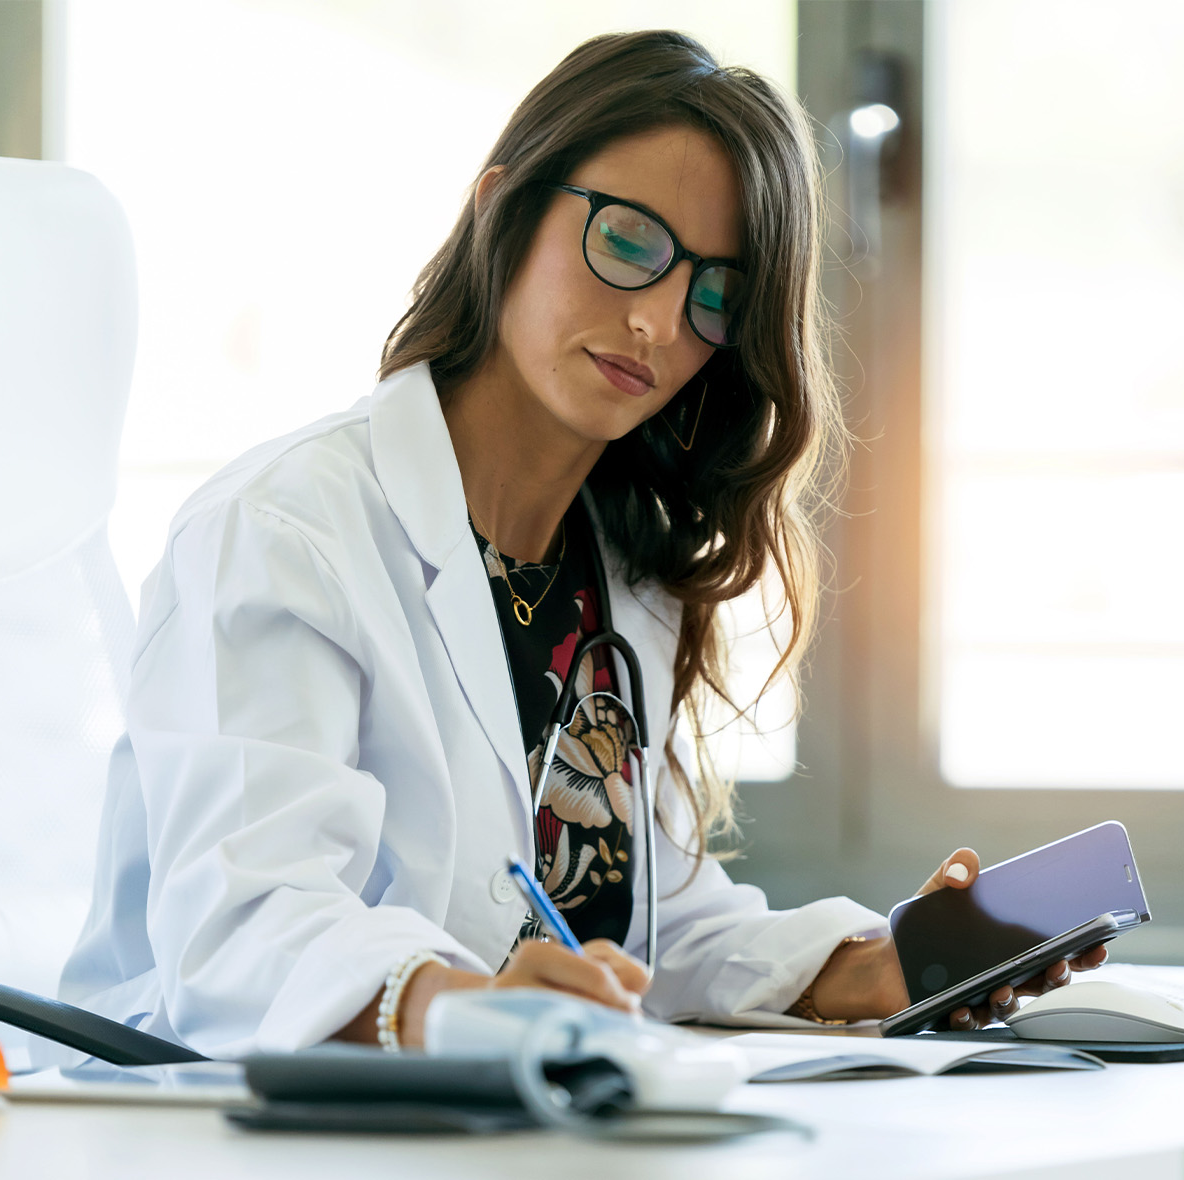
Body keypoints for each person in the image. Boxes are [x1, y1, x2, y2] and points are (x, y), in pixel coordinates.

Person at [59, 29, 1104, 1060]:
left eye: (714, 294)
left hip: (529, 1115)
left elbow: (661, 934)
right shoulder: (285, 532)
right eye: (630, 241)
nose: (655, 320)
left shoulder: (626, 569)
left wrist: (878, 966)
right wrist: (461, 1006)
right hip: (226, 1117)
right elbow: (244, 928)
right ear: (501, 209)